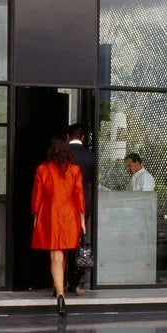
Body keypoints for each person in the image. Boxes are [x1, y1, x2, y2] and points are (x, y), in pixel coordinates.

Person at [31, 135, 86, 316]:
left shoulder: (42, 169)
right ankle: (58, 286)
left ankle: (60, 294)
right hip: (70, 216)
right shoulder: (75, 170)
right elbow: (79, 197)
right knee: (63, 254)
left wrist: (36, 217)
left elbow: (37, 197)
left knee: (56, 256)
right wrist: (83, 220)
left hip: (50, 215)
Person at [67, 124, 95, 295]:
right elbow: (90, 182)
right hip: (85, 203)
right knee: (82, 242)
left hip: (66, 204)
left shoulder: (64, 156)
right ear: (83, 138)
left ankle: (64, 279)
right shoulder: (90, 157)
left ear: (68, 136)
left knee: (66, 243)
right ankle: (79, 281)